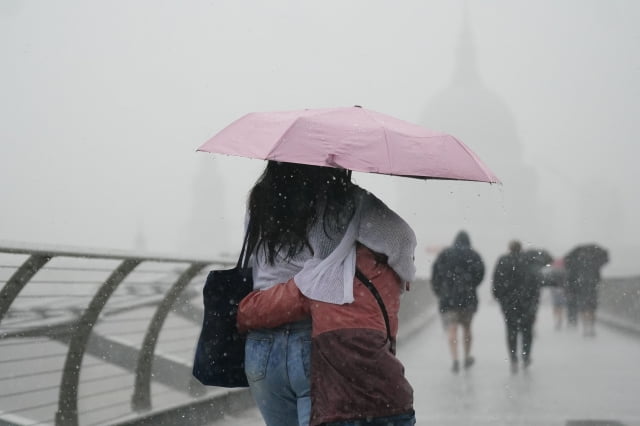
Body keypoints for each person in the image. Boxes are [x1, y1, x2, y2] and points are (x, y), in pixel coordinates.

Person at [241, 161, 417, 426]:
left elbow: (255, 262)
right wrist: (403, 273)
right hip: (313, 339)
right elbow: (401, 238)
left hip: (262, 344)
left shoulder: (260, 198)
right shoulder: (344, 198)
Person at [430, 231, 485, 373]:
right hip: (468, 298)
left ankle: (455, 360)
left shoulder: (445, 254)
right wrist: (471, 285)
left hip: (448, 298)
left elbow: (435, 274)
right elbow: (480, 273)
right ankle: (466, 357)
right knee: (467, 328)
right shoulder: (473, 255)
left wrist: (439, 291)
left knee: (452, 329)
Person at [492, 241, 551, 372]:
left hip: (509, 303)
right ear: (521, 248)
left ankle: (513, 358)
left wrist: (500, 297)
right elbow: (537, 281)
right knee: (527, 330)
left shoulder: (503, 261)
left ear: (509, 248)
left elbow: (496, 280)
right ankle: (526, 356)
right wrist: (534, 299)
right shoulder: (530, 261)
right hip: (527, 302)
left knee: (511, 330)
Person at [564, 244, 609, 337]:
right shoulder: (595, 261)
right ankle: (591, 327)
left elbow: (571, 277)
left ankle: (585, 327)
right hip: (592, 288)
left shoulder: (576, 262)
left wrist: (572, 288)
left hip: (581, 289)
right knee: (592, 309)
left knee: (584, 308)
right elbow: (598, 276)